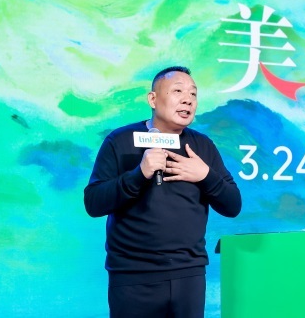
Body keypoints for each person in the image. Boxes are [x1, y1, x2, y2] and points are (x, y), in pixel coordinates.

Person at [84, 66, 242, 318]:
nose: (188, 99)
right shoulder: (120, 140)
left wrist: (205, 175)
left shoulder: (202, 146)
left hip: (189, 275)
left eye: (193, 94)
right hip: (133, 277)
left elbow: (233, 205)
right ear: (153, 99)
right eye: (178, 91)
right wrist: (139, 174)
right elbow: (93, 203)